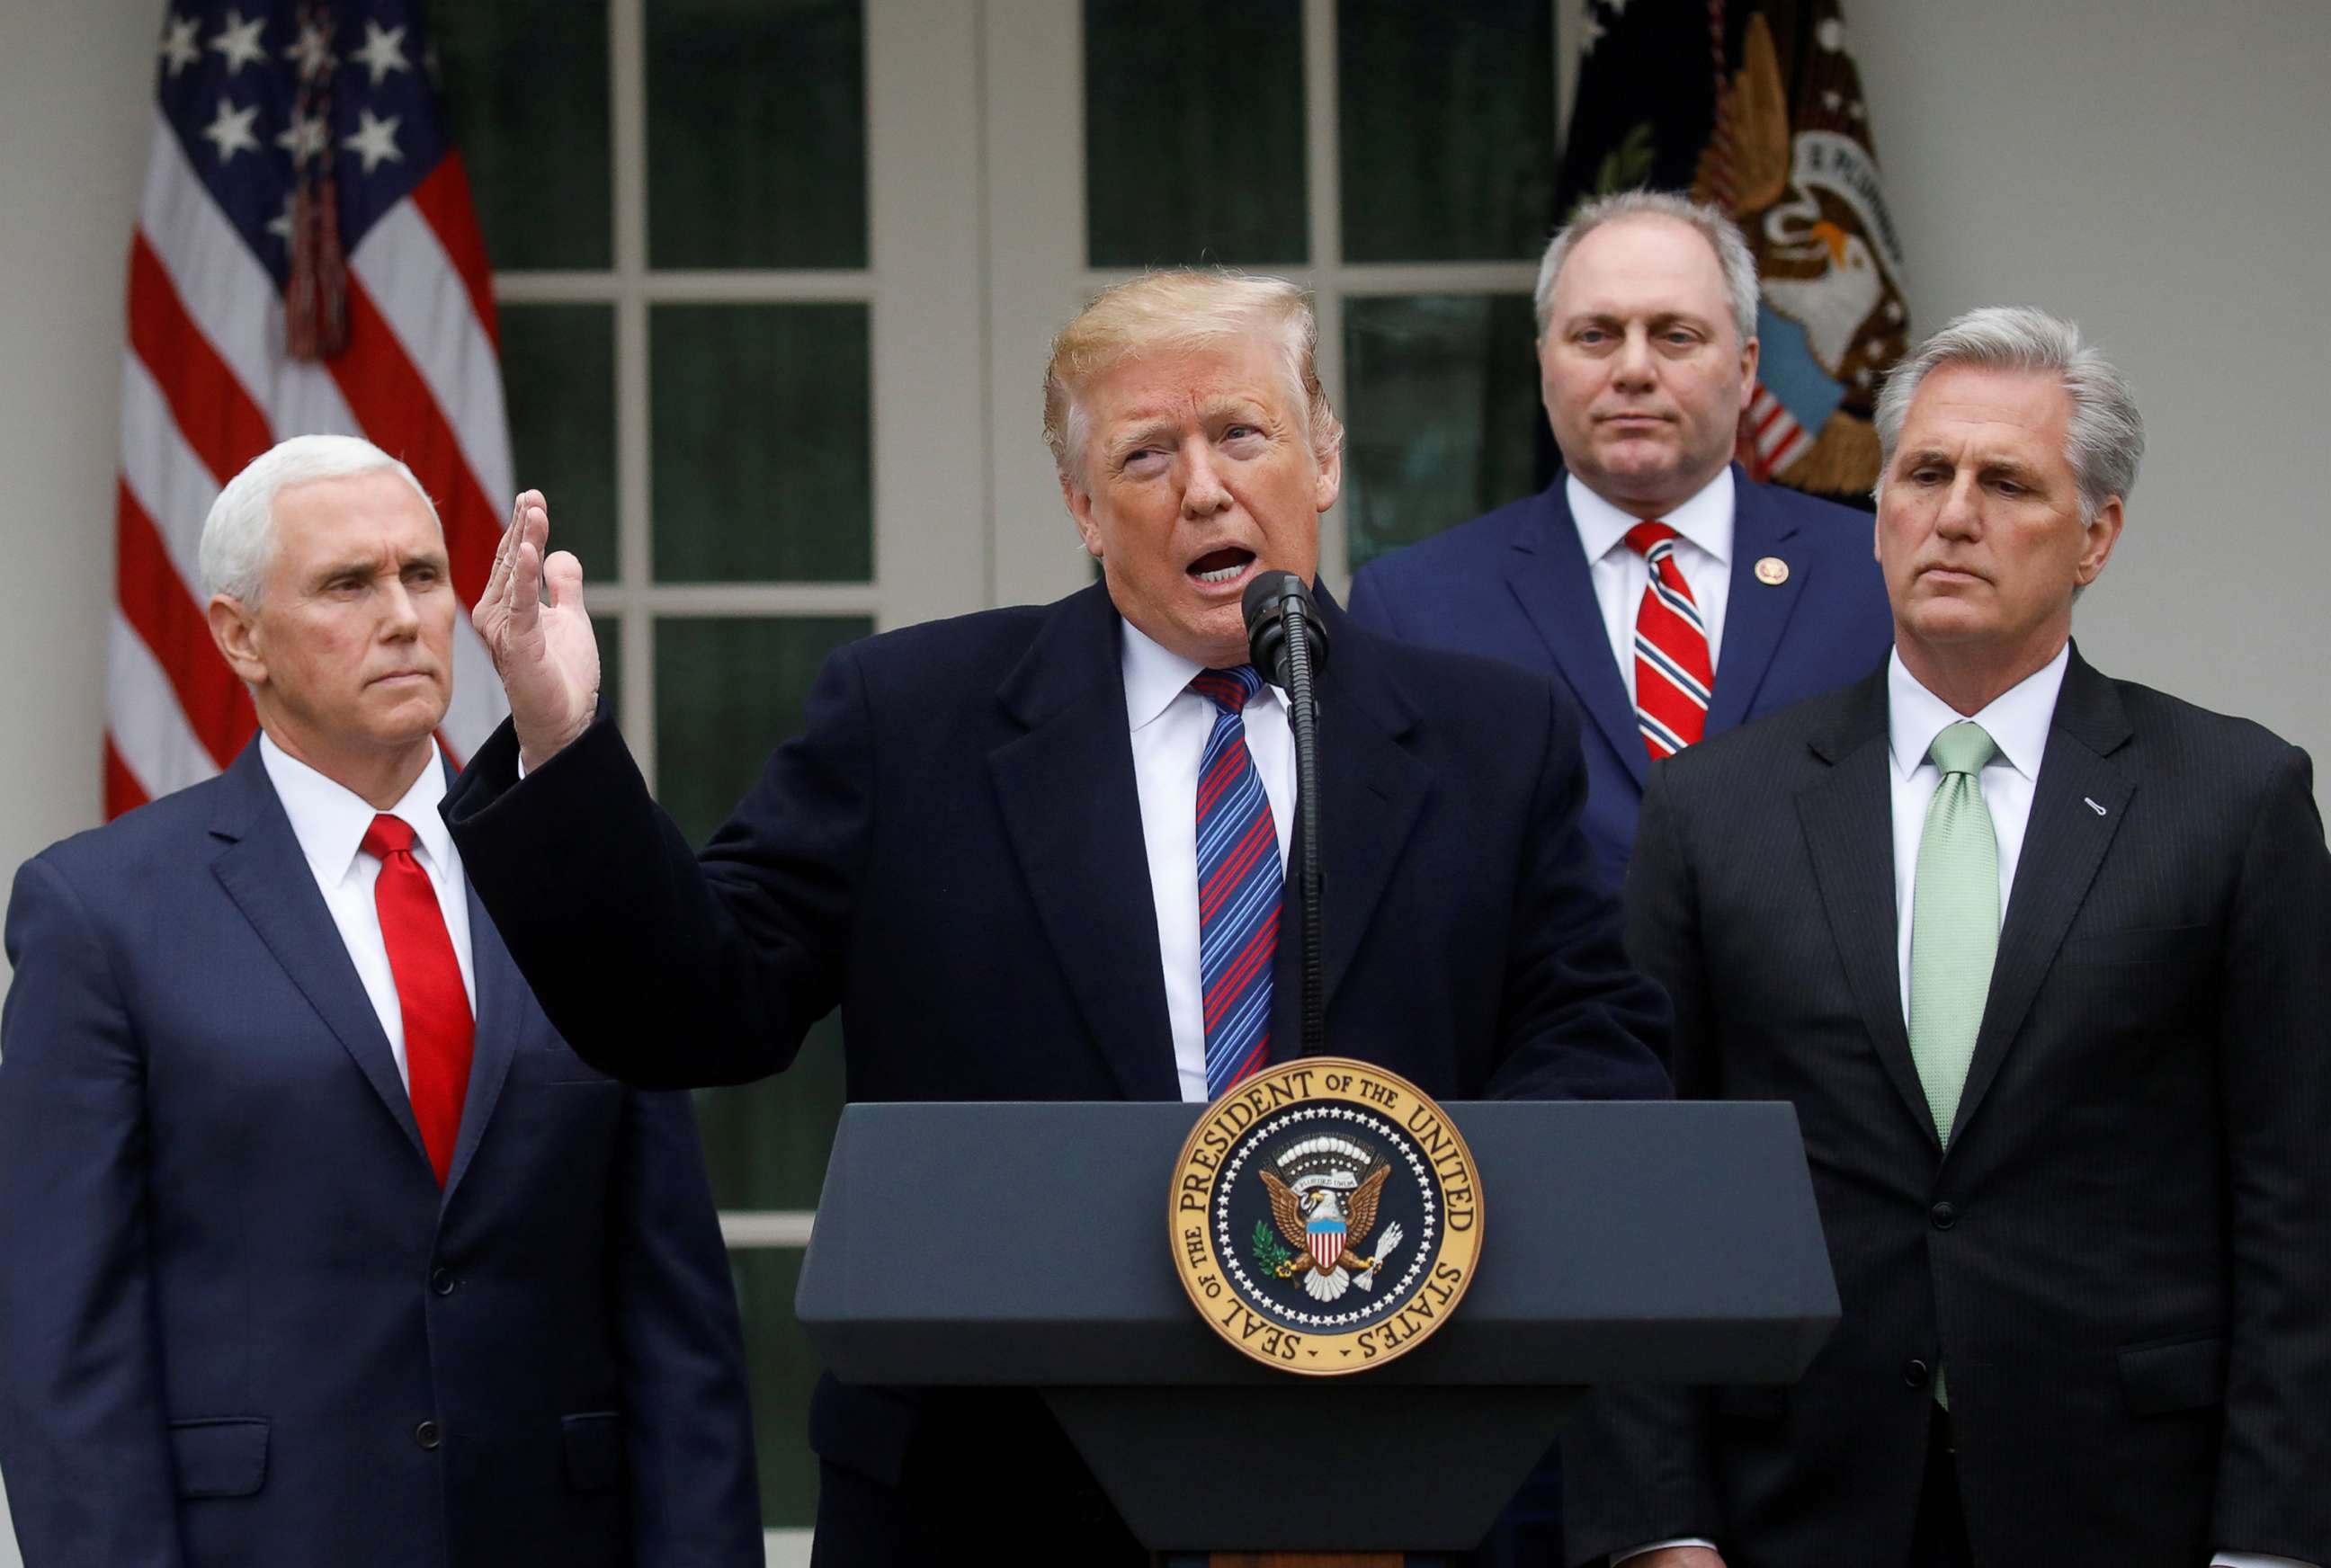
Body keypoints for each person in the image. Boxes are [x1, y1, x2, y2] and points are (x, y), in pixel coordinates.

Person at [442, 270, 1672, 1565]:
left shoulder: (1492, 737)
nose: (1204, 487)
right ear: (1086, 510)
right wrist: (561, 739)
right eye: (1148, 453)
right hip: (995, 1496)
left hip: (1387, 1478)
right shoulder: (910, 719)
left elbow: (1592, 1046)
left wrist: (1439, 1226)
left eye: (1242, 434)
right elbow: (700, 1005)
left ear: (1323, 457)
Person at [1565, 308, 2331, 1568]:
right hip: (1794, 1501)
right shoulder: (1716, 806)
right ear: (1878, 517)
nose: (1955, 512)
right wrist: (1661, 1524)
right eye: (1923, 474)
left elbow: (2297, 1203)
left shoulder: (2233, 801)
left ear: (2098, 535)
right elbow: (1642, 1182)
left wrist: (2271, 1543)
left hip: (2135, 1502)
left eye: (2008, 482)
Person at [0, 436, 760, 1568]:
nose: (404, 616)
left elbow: (678, 1317)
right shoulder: (101, 910)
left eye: (423, 574)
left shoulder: (579, 873)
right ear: (238, 635)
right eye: (348, 585)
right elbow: (66, 1343)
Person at [1348, 192, 1892, 889]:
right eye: (1596, 336)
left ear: (1749, 366)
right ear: (1545, 362)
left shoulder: (1875, 575)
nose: (1633, 369)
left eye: (1676, 336)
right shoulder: (1415, 609)